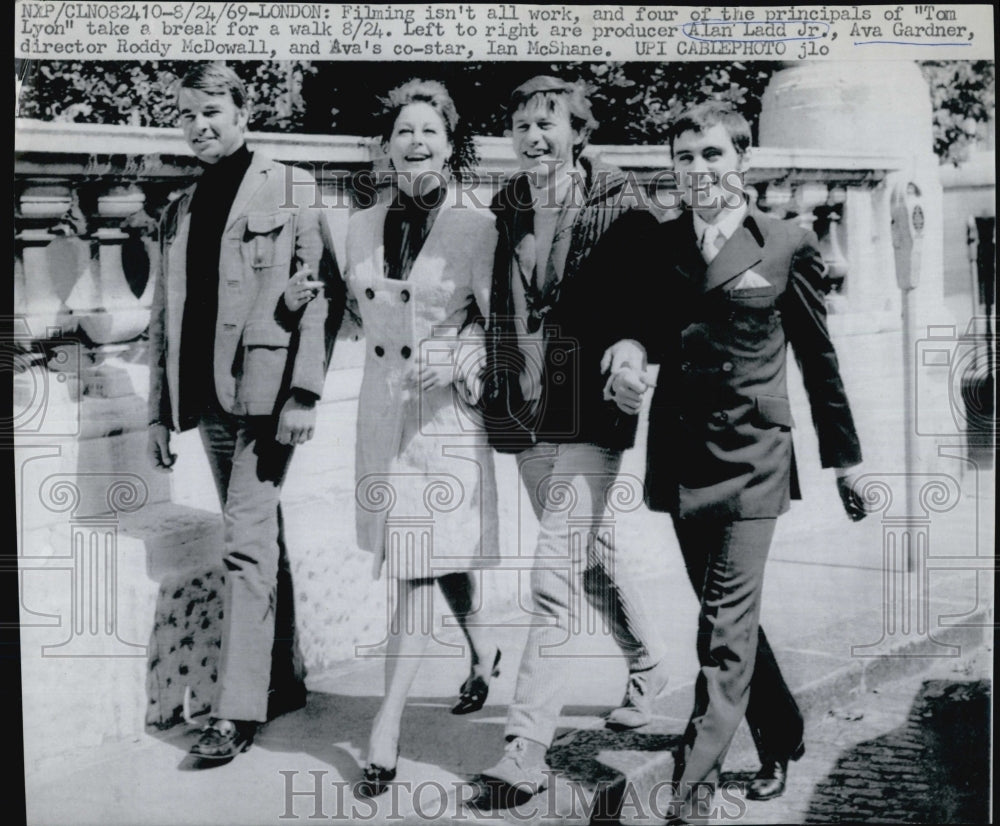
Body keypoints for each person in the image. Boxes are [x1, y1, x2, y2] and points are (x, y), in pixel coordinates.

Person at [603, 101, 867, 820]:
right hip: (683, 461)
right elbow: (637, 328)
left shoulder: (785, 241)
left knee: (721, 629)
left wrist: (847, 460)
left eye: (712, 155)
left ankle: (690, 790)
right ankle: (779, 737)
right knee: (730, 619)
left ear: (741, 163)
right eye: (684, 158)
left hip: (755, 461)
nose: (698, 170)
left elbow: (819, 360)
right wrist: (625, 352)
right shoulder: (658, 246)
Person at [284, 78, 501, 797]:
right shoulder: (359, 225)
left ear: (451, 144)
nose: (416, 144)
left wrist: (464, 351)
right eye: (403, 132)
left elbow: (499, 325)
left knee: (414, 563)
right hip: (382, 414)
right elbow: (339, 311)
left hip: (444, 418)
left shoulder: (479, 225)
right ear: (385, 149)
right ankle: (481, 648)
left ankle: (385, 728)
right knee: (434, 552)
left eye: (430, 132)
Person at [476, 75, 671, 799]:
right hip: (527, 403)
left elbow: (656, 296)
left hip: (591, 402)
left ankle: (526, 745)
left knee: (552, 574)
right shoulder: (508, 205)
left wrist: (635, 345)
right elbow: (497, 295)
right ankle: (649, 664)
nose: (532, 137)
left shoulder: (623, 202)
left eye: (547, 123)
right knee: (588, 555)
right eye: (522, 124)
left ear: (579, 133)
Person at [147, 62, 344, 762]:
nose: (200, 126)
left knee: (245, 542)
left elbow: (319, 294)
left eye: (213, 112)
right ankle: (281, 679)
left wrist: (303, 393)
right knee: (261, 539)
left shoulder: (288, 184)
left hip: (266, 400)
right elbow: (165, 321)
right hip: (205, 402)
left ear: (242, 114)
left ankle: (235, 713)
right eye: (188, 115)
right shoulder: (180, 210)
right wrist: (155, 416)